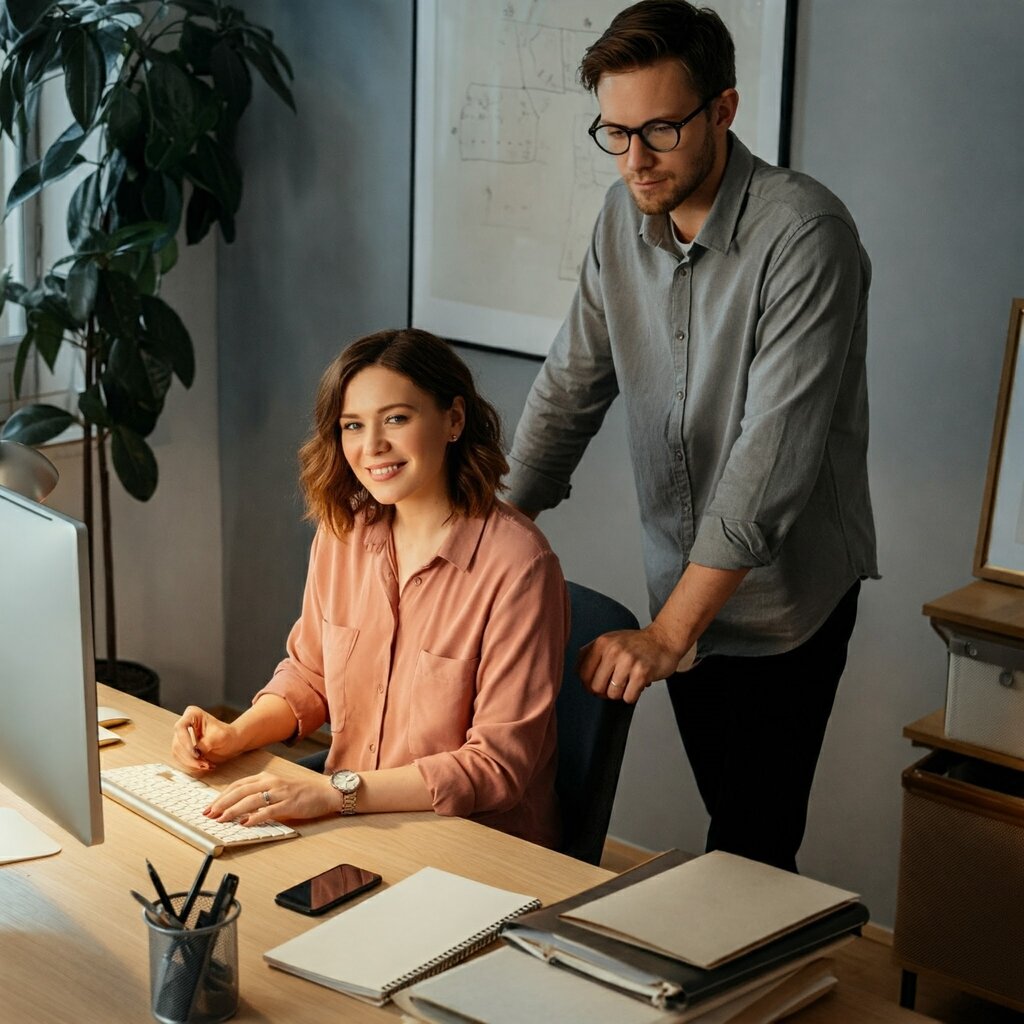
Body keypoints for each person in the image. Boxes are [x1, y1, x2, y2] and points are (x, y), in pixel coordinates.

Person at [506, 0, 878, 871]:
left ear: (724, 110)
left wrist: (671, 634)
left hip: (784, 597)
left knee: (752, 841)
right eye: (616, 131)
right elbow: (571, 384)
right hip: (677, 566)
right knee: (732, 833)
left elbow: (769, 461)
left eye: (662, 131)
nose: (635, 160)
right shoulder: (620, 216)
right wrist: (484, 528)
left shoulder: (806, 236)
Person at [172, 328, 568, 849]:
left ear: (453, 419)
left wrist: (337, 792)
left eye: (397, 419)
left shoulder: (520, 567)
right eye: (353, 425)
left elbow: (497, 767)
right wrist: (235, 734)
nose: (372, 446)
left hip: (470, 846)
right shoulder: (343, 534)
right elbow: (311, 675)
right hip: (348, 823)